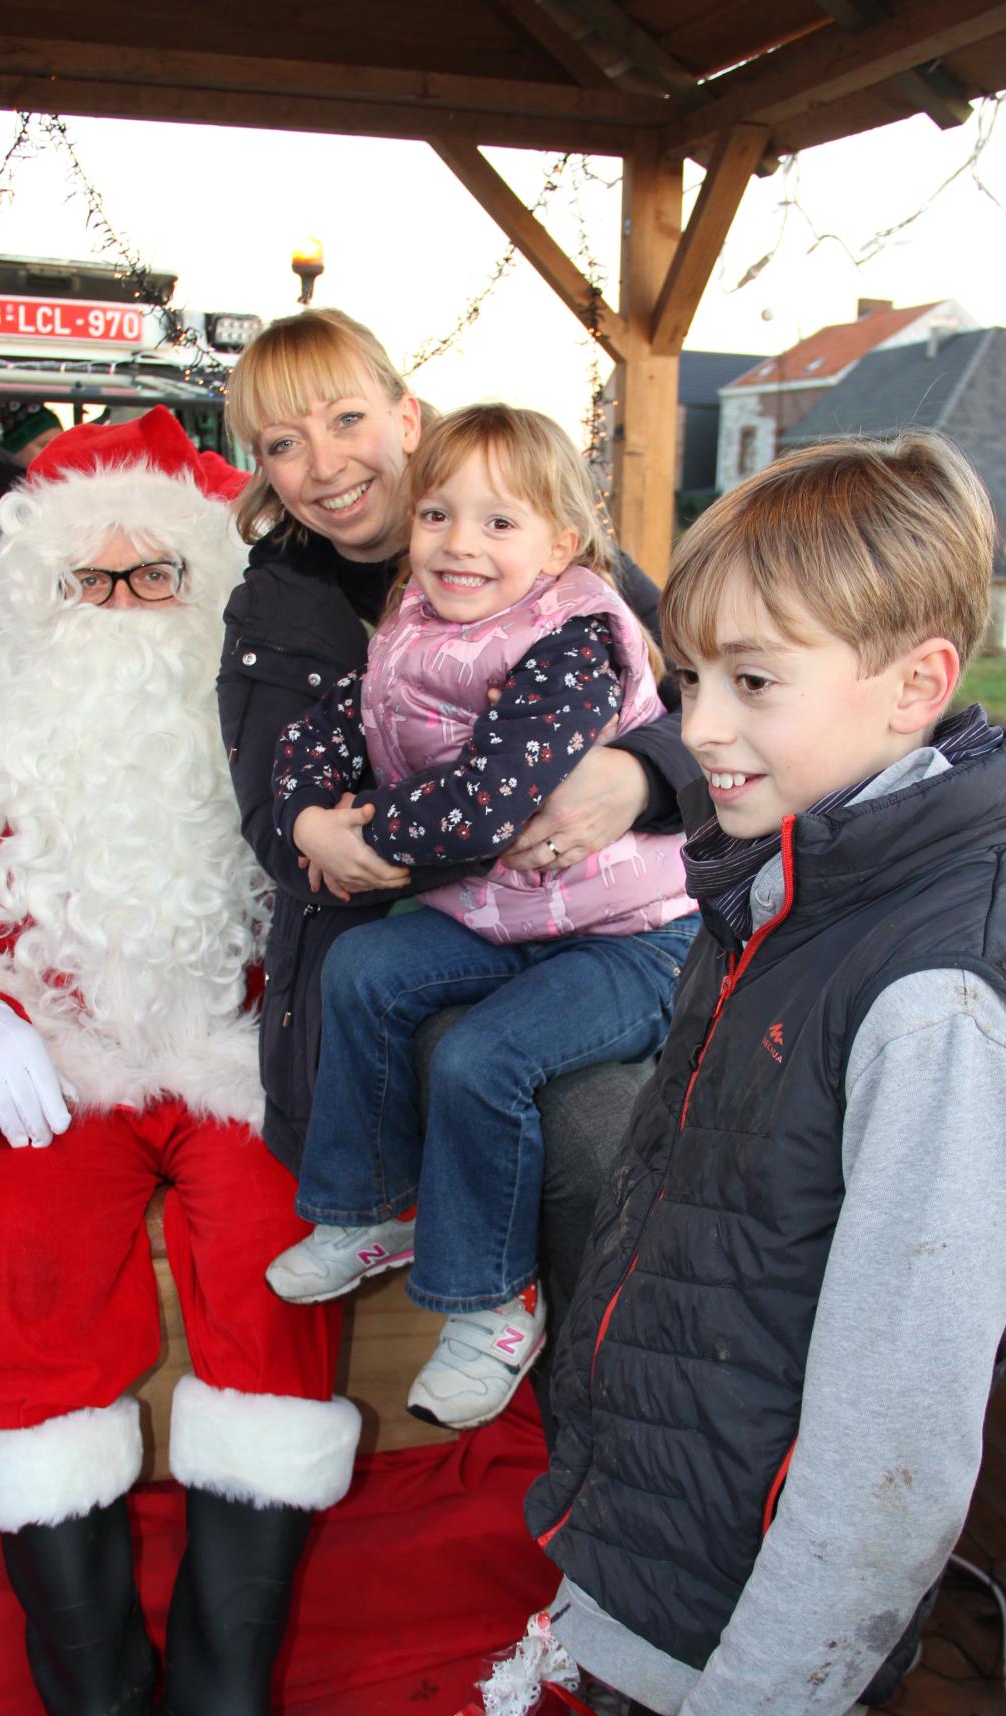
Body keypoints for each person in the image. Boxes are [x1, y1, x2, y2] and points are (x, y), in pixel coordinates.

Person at [525, 434, 1006, 1716]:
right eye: (687, 678)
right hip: (695, 1587)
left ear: (916, 683)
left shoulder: (936, 1005)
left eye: (753, 682)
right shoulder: (796, 889)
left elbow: (890, 1458)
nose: (700, 729)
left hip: (753, 1671)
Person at [0, 407, 358, 1716]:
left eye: (159, 577)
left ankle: (219, 1702)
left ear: (207, 582)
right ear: (39, 591)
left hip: (235, 1052)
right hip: (57, 1062)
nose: (128, 605)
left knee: (282, 1254)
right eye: (94, 580)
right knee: (20, 1268)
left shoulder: (274, 698)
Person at [265, 402, 698, 1431]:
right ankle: (369, 1207)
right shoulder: (412, 625)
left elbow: (487, 805)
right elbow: (332, 727)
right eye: (439, 516)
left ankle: (492, 1304)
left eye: (499, 523)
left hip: (630, 935)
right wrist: (309, 816)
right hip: (504, 913)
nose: (460, 543)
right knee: (364, 969)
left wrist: (369, 835)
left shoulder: (574, 640)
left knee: (481, 1059)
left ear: (560, 544)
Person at [218, 308, 694, 1176]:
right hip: (395, 934)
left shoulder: (546, 555)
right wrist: (313, 827)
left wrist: (641, 777)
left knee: (578, 1121)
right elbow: (276, 808)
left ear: (405, 418)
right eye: (284, 443)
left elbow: (710, 701)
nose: (324, 465)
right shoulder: (274, 610)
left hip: (597, 912)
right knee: (449, 1049)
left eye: (347, 419)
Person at [0, 395, 63, 551]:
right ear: (17, 448)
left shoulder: (38, 486)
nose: (55, 453)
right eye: (44, 445)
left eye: (59, 444)